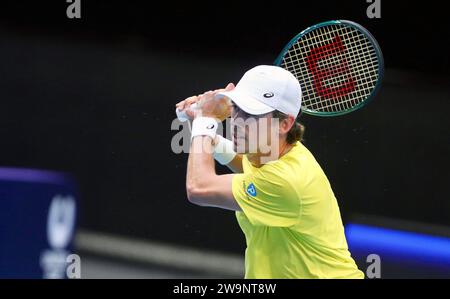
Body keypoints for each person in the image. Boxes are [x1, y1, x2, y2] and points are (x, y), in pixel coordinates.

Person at [175, 65, 364, 278]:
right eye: (236, 108)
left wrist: (205, 123)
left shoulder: (286, 180)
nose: (237, 122)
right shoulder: (271, 151)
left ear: (284, 124)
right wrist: (201, 121)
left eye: (251, 114)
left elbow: (199, 188)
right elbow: (246, 165)